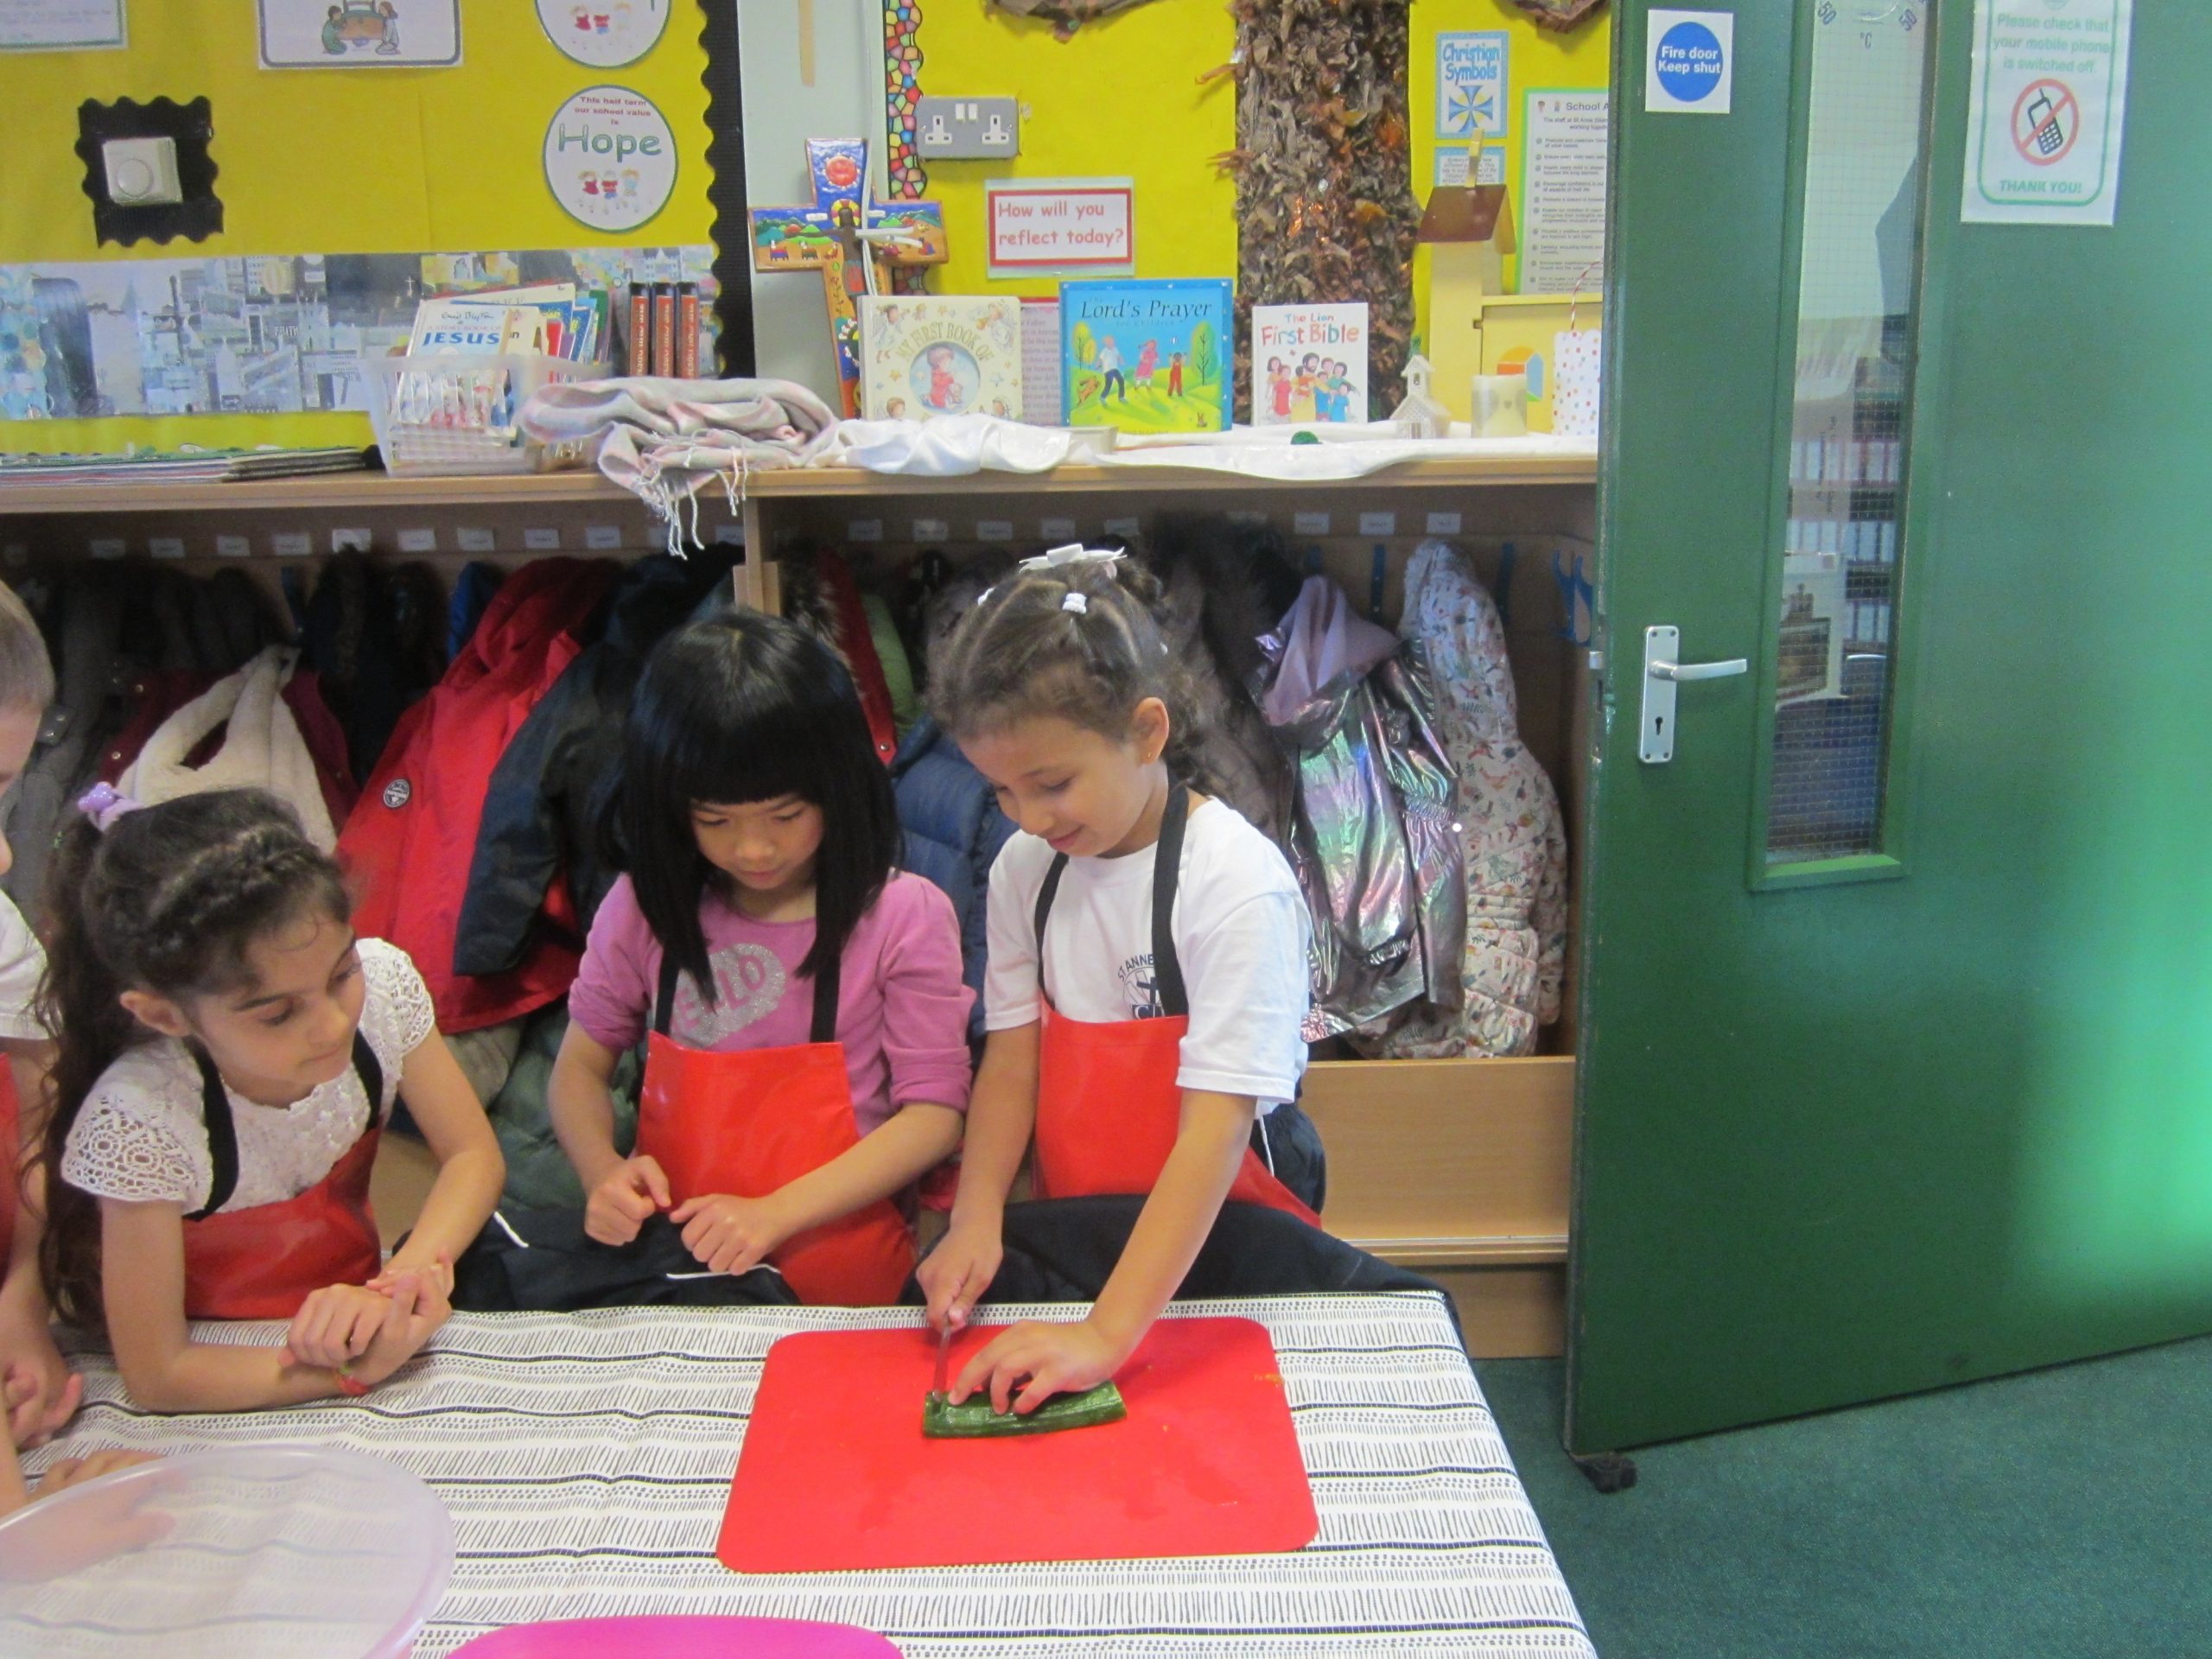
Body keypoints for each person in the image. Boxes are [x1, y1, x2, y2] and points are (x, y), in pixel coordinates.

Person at [918, 549, 1326, 1414]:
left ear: (1146, 732)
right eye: (1000, 791)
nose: (1028, 818)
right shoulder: (1026, 869)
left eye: (1051, 784)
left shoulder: (1233, 884)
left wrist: (1106, 1335)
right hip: (1088, 1220)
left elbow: (1214, 1133)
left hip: (1225, 1231)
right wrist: (976, 1218)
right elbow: (1013, 1063)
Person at [550, 612, 971, 1306]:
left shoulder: (902, 916)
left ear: (839, 788)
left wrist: (775, 1214)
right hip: (683, 1278)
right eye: (714, 820)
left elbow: (933, 1117)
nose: (753, 849)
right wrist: (602, 1172)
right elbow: (577, 1073)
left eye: (785, 816)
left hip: (844, 1288)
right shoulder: (645, 907)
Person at [38, 788, 503, 1411]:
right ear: (166, 1015)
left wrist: (402, 1280)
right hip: (227, 1368)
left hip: (350, 1312)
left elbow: (473, 1155)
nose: (332, 1026)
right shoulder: (143, 1118)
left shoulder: (384, 990)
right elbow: (159, 1375)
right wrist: (350, 1373)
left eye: (341, 975)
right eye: (278, 1014)